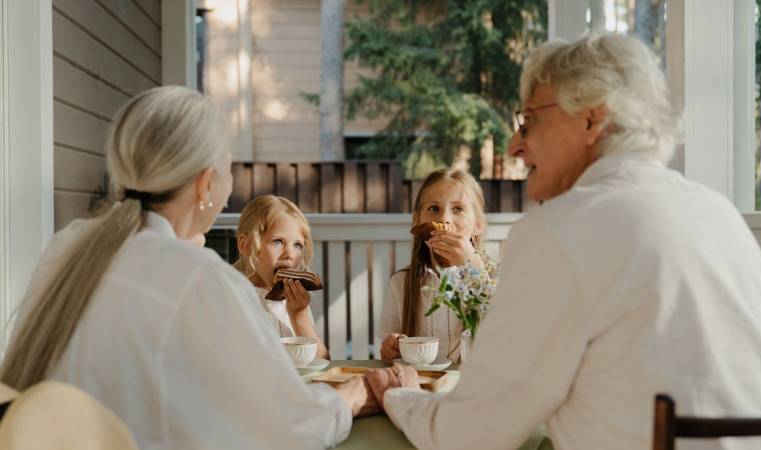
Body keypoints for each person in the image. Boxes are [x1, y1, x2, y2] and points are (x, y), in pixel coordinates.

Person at [364, 33, 761, 450]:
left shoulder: (558, 229)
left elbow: (467, 435)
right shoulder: (718, 213)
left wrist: (398, 395)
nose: (516, 145)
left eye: (529, 120)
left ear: (592, 118)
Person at [1, 86, 376, 449]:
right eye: (229, 169)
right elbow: (291, 432)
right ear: (206, 183)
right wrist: (352, 398)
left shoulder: (68, 244)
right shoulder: (200, 277)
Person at [377, 168, 493, 363]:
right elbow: (388, 353)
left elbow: (504, 341)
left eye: (458, 209)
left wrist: (474, 268)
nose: (444, 219)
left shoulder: (494, 280)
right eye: (433, 208)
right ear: (417, 221)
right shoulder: (401, 283)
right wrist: (390, 348)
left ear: (478, 225)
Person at [234, 194, 328, 359]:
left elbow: (322, 362)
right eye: (278, 242)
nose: (290, 254)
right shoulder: (233, 296)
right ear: (246, 245)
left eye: (297, 245)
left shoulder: (294, 301)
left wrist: (299, 317)